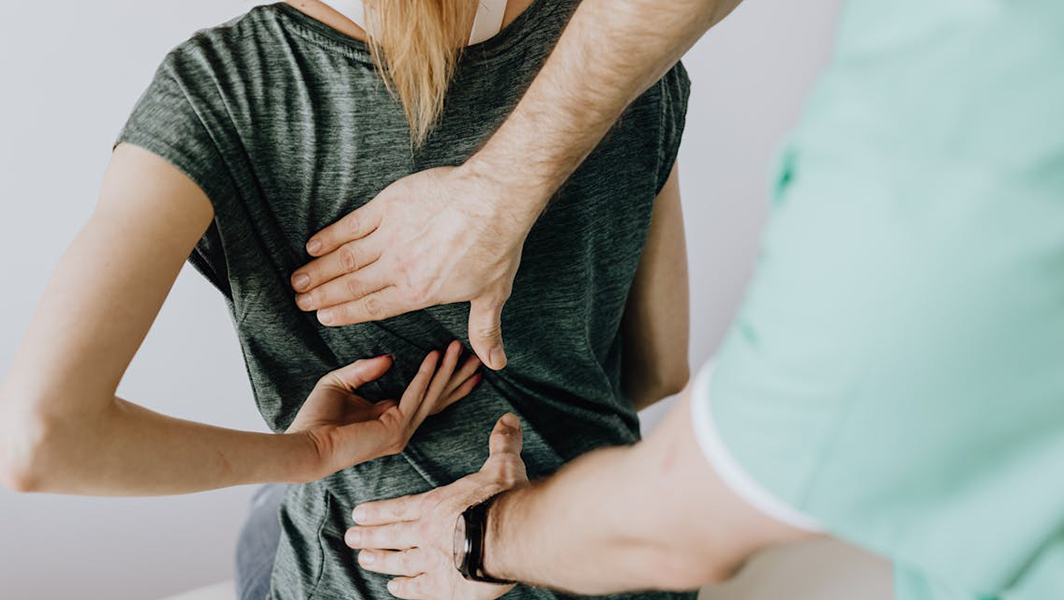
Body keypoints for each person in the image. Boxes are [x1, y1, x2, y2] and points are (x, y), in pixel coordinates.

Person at [315, 0, 1064, 599]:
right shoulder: (634, 76)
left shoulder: (260, 76)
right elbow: (660, 370)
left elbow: (702, 510)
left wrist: (480, 537)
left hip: (410, 556)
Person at [0, 1, 696, 599]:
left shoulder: (223, 87)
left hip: (363, 571)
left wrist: (309, 453)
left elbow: (41, 439)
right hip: (607, 557)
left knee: (264, 515)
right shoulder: (618, 41)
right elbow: (659, 370)